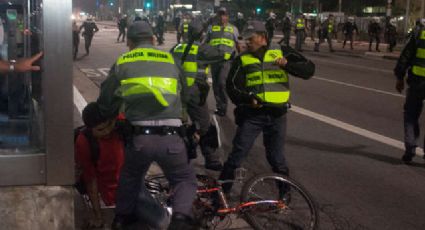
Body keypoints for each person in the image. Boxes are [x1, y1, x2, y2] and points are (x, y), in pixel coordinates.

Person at [97, 21, 197, 230]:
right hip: (172, 137)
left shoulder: (123, 61)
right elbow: (187, 95)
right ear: (153, 39)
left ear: (130, 42)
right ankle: (179, 219)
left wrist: (110, 115)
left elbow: (106, 100)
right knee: (183, 179)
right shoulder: (171, 59)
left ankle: (122, 218)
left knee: (130, 177)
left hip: (139, 138)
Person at [219, 20, 314, 194]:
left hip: (277, 115)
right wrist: (247, 98)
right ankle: (221, 196)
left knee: (276, 159)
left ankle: (284, 196)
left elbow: (309, 70)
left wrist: (288, 65)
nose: (246, 42)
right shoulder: (242, 59)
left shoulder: (281, 51)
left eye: (250, 38)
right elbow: (231, 87)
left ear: (263, 38)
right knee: (237, 156)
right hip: (252, 116)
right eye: (245, 39)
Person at [171, 21, 227, 171]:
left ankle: (180, 156)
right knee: (206, 126)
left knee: (178, 125)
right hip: (195, 94)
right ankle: (211, 159)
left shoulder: (176, 47)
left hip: (178, 94)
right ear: (201, 35)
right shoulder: (202, 49)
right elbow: (224, 54)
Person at [75, 102, 125, 229]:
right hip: (106, 197)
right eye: (101, 130)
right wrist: (98, 216)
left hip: (128, 189)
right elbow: (91, 181)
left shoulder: (120, 125)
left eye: (109, 125)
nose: (107, 131)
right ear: (90, 129)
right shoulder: (84, 142)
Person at [394, 18, 425, 164]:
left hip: (417, 82)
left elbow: (405, 56)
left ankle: (410, 148)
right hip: (417, 82)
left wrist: (400, 77)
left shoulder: (419, 32)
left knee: (411, 115)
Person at [204, 7, 239, 117]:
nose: (222, 17)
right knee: (215, 85)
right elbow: (205, 43)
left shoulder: (233, 29)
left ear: (227, 17)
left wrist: (241, 59)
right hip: (214, 61)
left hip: (226, 61)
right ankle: (220, 106)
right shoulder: (211, 29)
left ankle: (223, 106)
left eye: (224, 15)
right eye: (220, 15)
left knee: (222, 83)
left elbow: (238, 44)